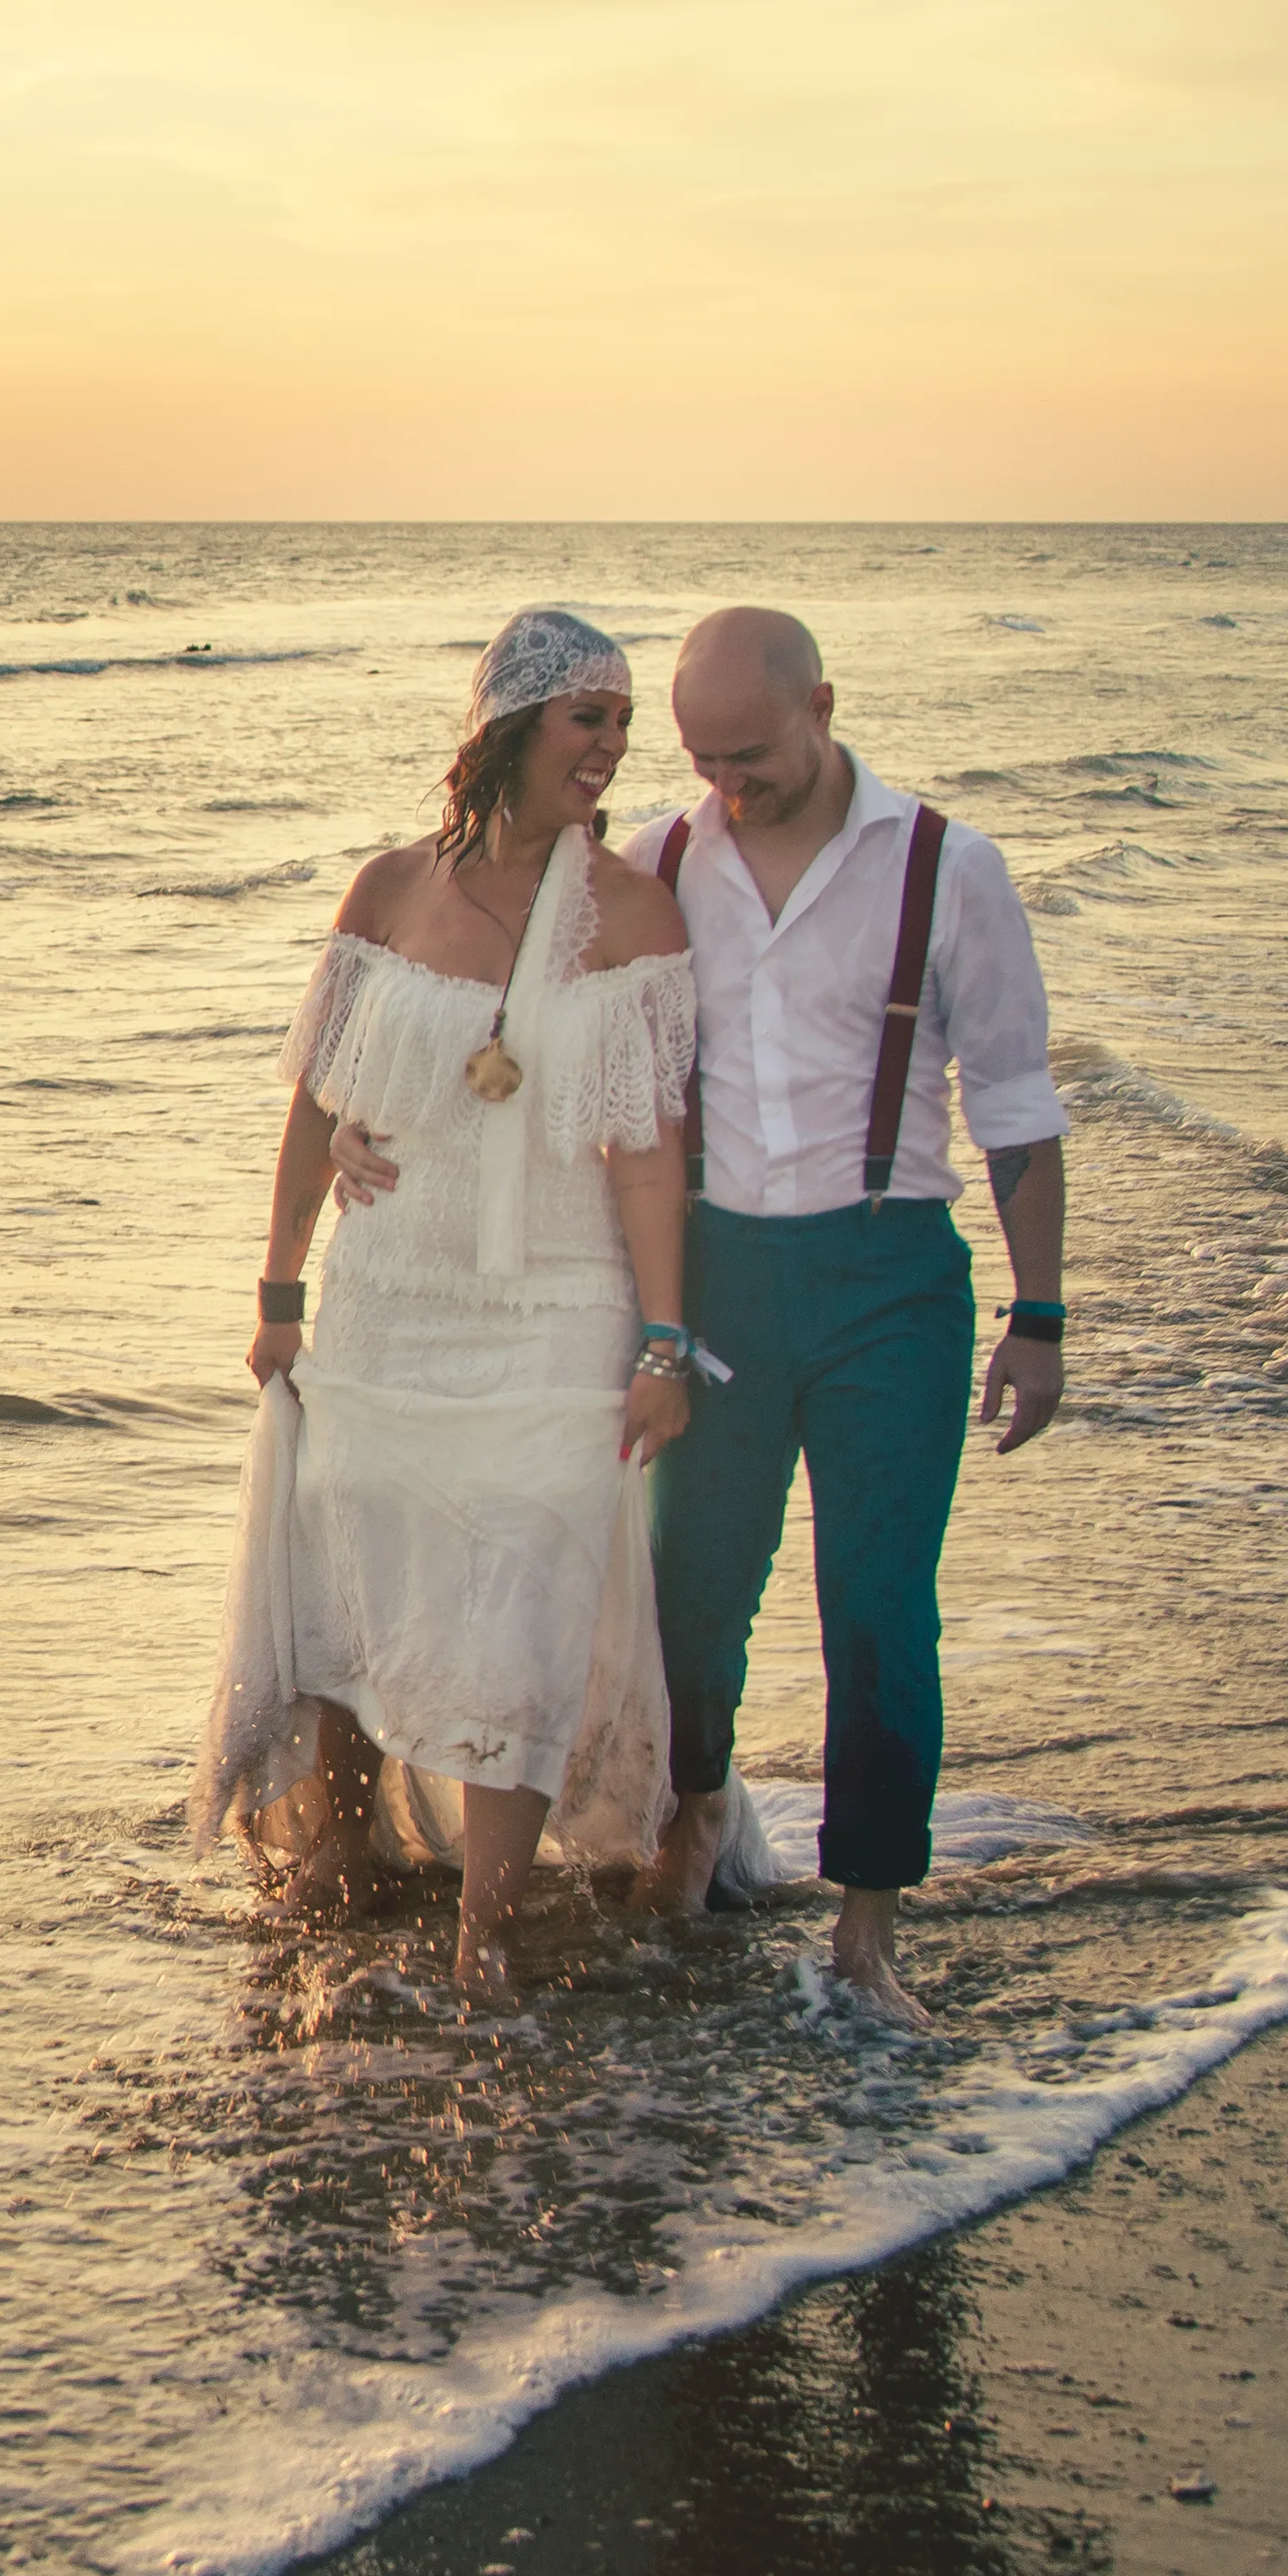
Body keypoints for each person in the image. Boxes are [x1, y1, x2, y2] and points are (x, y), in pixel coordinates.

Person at [337, 606, 1070, 2028]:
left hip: (889, 1272)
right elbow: (489, 1009)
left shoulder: (945, 868)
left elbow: (1020, 1107)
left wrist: (1039, 1313)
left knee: (875, 1610)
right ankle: (692, 1816)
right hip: (720, 1278)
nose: (728, 783)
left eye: (752, 754)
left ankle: (866, 1926)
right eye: (706, 759)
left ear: (823, 706)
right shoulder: (658, 862)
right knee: (688, 1602)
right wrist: (367, 1126)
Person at [201, 609, 698, 2001]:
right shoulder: (388, 890)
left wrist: (664, 1340)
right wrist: (279, 1288)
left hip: (556, 1302)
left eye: (620, 720)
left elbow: (647, 1152)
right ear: (506, 729)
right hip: (389, 1292)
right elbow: (315, 1098)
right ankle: (344, 1848)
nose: (610, 746)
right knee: (352, 1557)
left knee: (525, 1591)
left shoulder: (633, 916)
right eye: (584, 718)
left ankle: (486, 1926)